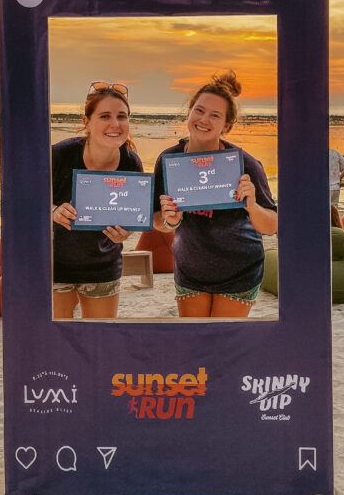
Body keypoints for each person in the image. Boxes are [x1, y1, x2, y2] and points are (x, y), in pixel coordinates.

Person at [153, 69, 277, 318]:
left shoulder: (245, 164)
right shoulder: (169, 160)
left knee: (224, 349)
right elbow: (157, 220)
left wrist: (251, 205)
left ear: (227, 126)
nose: (204, 119)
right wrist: (170, 220)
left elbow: (271, 226)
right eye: (199, 110)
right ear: (189, 112)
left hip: (239, 272)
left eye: (215, 115)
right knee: (196, 346)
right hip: (190, 272)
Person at [51, 82, 142, 319]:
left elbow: (134, 216)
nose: (115, 124)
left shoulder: (131, 163)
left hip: (103, 266)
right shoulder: (60, 155)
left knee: (99, 340)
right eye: (105, 116)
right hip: (53, 266)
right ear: (87, 122)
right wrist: (53, 211)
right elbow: (25, 203)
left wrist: (126, 231)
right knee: (59, 341)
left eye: (122, 116)